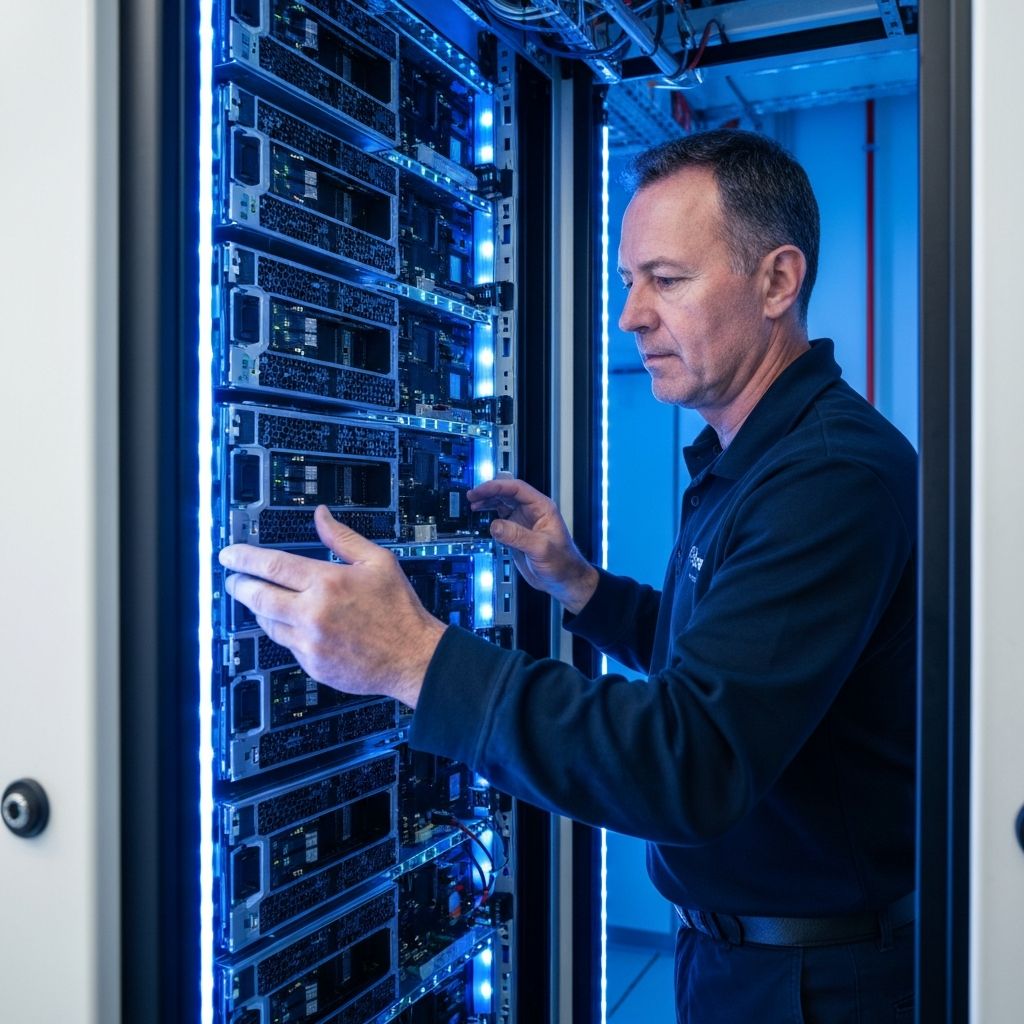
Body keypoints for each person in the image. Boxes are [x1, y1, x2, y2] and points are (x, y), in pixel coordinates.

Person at [220, 129, 917, 1022]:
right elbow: (735, 661)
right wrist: (581, 585)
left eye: (665, 280)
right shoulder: (756, 457)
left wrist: (413, 659)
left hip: (819, 985)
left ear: (778, 281)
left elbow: (690, 758)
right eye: (629, 282)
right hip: (745, 954)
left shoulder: (829, 477)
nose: (631, 316)